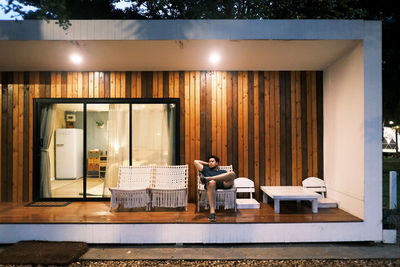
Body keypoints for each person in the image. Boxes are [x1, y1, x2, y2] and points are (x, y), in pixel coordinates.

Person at [194, 155, 236, 221]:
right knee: (212, 182)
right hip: (211, 185)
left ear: (217, 163)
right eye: (209, 161)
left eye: (212, 161)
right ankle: (212, 212)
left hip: (223, 184)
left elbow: (231, 176)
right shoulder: (205, 169)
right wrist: (207, 164)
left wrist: (209, 178)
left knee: (232, 173)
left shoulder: (222, 171)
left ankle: (209, 178)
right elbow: (195, 162)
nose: (210, 163)